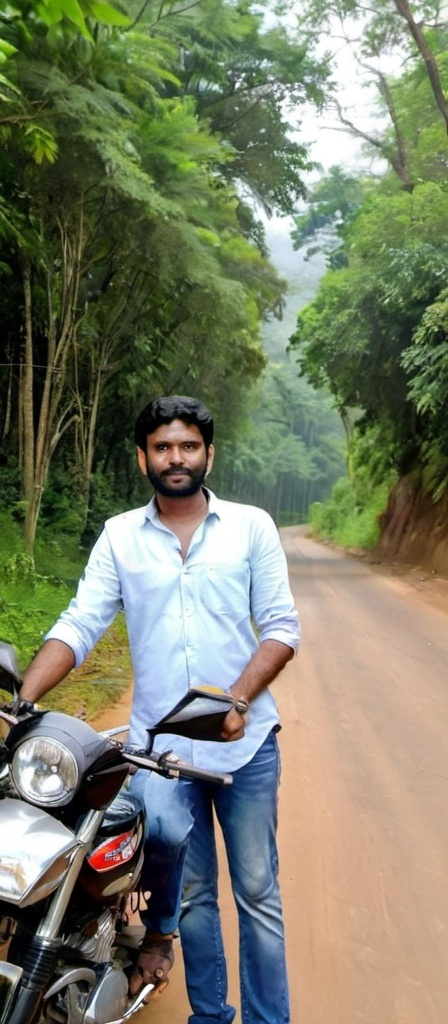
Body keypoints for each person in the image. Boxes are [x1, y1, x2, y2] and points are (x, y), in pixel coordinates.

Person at [21, 395, 300, 1024]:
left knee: (257, 893)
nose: (176, 457)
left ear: (208, 454)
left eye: (188, 446)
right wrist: (24, 698)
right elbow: (82, 621)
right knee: (197, 891)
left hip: (245, 743)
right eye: (163, 447)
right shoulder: (121, 535)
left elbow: (282, 626)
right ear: (143, 458)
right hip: (162, 750)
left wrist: (237, 699)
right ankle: (209, 1014)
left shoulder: (252, 525)